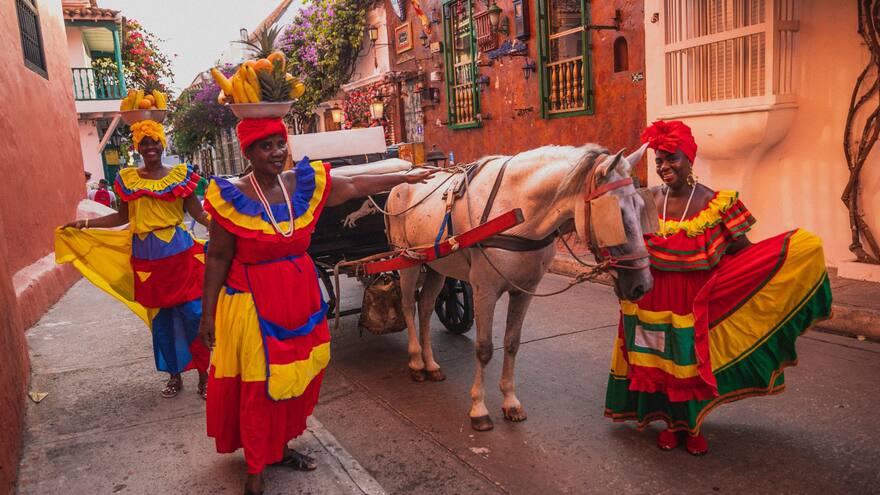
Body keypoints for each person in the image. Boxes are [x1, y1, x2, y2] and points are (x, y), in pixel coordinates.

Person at [198, 117, 436, 495]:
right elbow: (217, 258)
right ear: (249, 152)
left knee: (296, 377)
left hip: (299, 297)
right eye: (265, 146)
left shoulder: (300, 183)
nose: (276, 152)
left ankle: (279, 447)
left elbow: (355, 184)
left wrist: (406, 177)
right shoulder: (232, 197)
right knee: (260, 386)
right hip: (252, 305)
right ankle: (256, 467)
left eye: (280, 143)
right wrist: (207, 314)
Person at [604, 120, 832, 455]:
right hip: (652, 300)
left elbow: (744, 251)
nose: (665, 166)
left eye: (672, 158)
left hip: (692, 305)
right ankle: (671, 424)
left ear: (689, 159)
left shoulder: (714, 204)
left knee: (689, 366)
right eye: (659, 161)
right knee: (659, 365)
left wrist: (769, 269)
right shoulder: (647, 200)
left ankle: (691, 426)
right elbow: (626, 241)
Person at [57, 119, 212, 399]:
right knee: (161, 323)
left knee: (193, 317)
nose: (150, 147)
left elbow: (199, 214)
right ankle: (174, 375)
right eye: (144, 142)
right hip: (146, 260)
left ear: (162, 144)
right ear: (138, 147)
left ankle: (204, 375)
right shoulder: (127, 179)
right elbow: (122, 217)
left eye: (154, 141)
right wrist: (85, 225)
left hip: (180, 257)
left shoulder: (180, 176)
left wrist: (226, 226)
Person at [188, 165, 209, 230]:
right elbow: (207, 186)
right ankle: (208, 228)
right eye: (198, 169)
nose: (199, 170)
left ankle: (191, 228)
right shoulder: (201, 178)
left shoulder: (190, 179)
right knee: (205, 212)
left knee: (195, 214)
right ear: (197, 170)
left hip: (194, 197)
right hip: (201, 196)